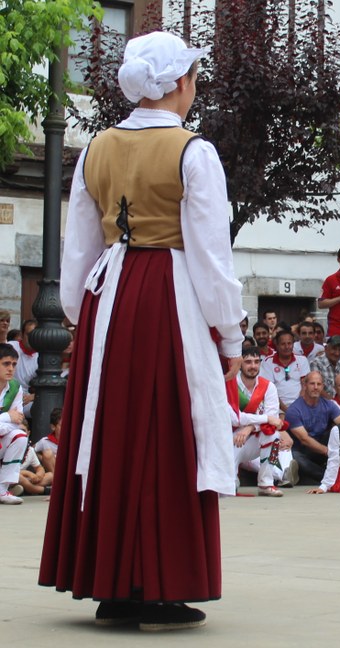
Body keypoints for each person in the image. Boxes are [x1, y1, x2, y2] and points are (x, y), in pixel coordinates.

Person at [38, 33, 245, 631]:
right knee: (166, 434)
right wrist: (229, 336)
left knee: (109, 432)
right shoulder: (192, 152)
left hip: (110, 297)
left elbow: (78, 246)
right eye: (194, 77)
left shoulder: (95, 149)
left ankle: (111, 584)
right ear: (179, 82)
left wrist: (84, 316)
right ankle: (156, 586)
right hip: (166, 298)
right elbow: (210, 255)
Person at [228, 348, 296, 497]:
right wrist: (264, 418)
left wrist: (249, 428)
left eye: (256, 362)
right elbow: (234, 418)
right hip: (229, 439)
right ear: (240, 364)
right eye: (248, 362)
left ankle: (266, 484)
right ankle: (231, 481)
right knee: (229, 488)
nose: (253, 366)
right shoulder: (229, 385)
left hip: (251, 438)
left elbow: (272, 418)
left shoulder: (268, 386)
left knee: (273, 435)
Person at [285, 371, 340, 483]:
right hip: (301, 450)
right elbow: (304, 440)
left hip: (320, 446)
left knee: (337, 431)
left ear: (323, 386)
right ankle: (330, 478)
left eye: (319, 384)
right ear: (305, 385)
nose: (316, 387)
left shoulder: (329, 405)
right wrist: (328, 451)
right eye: (312, 384)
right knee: (295, 458)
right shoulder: (294, 410)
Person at [0, 343, 27, 504]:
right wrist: (7, 416)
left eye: (14, 364)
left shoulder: (16, 388)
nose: (11, 368)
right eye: (6, 364)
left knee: (20, 436)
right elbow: (11, 417)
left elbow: (17, 421)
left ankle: (2, 490)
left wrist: (7, 420)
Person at [260, 330, 310, 411]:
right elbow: (269, 389)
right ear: (277, 345)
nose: (287, 347)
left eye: (289, 343)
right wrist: (286, 410)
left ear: (293, 344)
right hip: (276, 406)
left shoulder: (302, 360)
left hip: (300, 405)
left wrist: (296, 407)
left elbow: (305, 386)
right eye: (283, 344)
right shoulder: (267, 362)